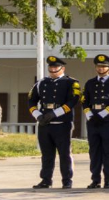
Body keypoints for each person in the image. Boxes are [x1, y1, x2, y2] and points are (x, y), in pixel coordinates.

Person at [29, 55, 81, 190]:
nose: (52, 69)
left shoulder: (71, 82)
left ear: (62, 68)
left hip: (62, 123)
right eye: (51, 67)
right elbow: (31, 101)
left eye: (55, 67)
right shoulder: (41, 83)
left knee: (64, 154)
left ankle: (67, 180)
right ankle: (46, 180)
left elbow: (73, 101)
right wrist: (38, 115)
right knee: (46, 154)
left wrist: (55, 113)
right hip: (44, 124)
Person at [82, 53, 109, 189]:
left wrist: (104, 113)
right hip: (93, 120)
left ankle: (108, 179)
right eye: (99, 66)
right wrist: (89, 115)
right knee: (94, 151)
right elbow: (84, 101)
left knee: (108, 151)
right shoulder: (90, 83)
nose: (101, 69)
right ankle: (95, 179)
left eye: (104, 66)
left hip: (108, 120)